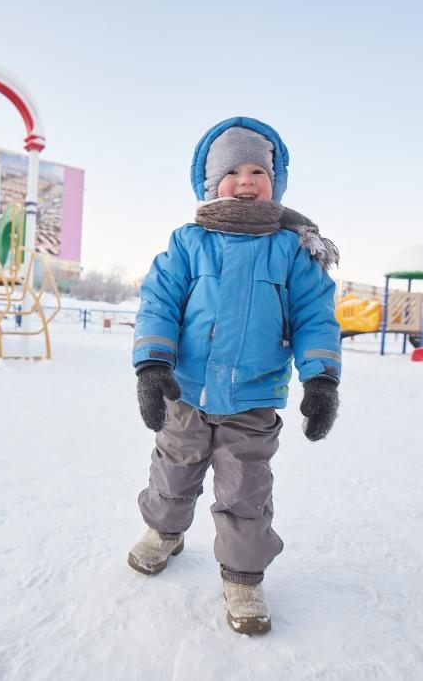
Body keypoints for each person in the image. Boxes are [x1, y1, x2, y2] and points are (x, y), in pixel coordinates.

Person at [127, 117, 342, 635]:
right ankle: (165, 532)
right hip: (186, 390)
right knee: (173, 470)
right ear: (210, 183)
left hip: (253, 396)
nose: (246, 180)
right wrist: (153, 365)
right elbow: (159, 303)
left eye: (257, 171)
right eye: (233, 172)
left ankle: (244, 575)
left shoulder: (293, 250)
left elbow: (315, 317)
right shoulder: (188, 242)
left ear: (275, 181)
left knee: (246, 487)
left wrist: (321, 379)